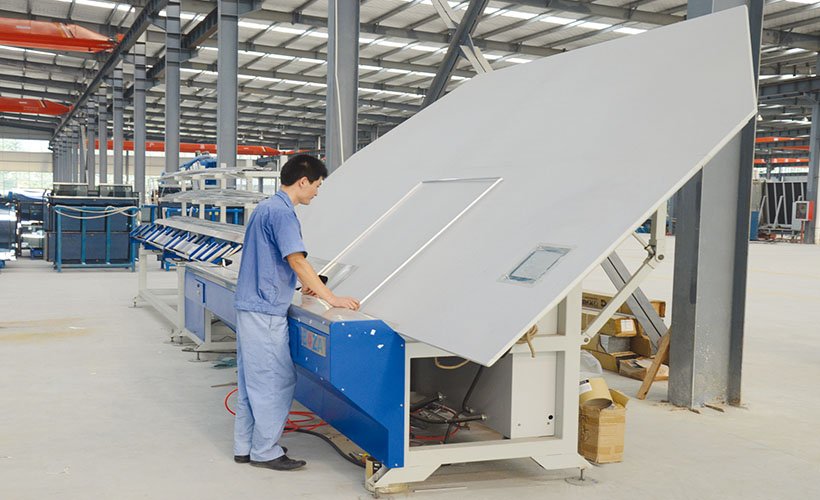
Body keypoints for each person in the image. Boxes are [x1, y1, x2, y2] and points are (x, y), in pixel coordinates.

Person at [232, 154, 360, 471]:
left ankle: (245, 446)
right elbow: (296, 260)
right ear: (303, 181)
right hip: (265, 311)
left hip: (252, 306)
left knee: (252, 381)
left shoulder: (266, 208)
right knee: (275, 381)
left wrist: (302, 285)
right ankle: (265, 451)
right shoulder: (283, 214)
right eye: (317, 185)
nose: (316, 192)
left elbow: (274, 259)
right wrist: (331, 298)